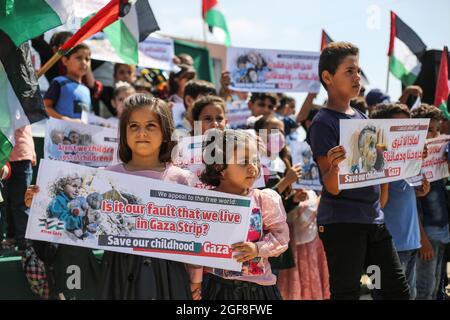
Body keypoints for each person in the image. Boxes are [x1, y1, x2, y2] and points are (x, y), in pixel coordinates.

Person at [306, 42, 409, 300]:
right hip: (342, 225)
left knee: (392, 291)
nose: (357, 77)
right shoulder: (323, 123)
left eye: (359, 70)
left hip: (373, 222)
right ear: (327, 77)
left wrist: (408, 158)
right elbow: (331, 187)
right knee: (347, 293)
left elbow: (377, 167)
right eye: (349, 71)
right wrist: (336, 166)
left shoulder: (362, 117)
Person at [96, 94, 202, 299]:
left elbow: (193, 235)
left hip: (168, 272)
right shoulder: (105, 176)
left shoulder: (182, 179)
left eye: (151, 126)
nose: (141, 133)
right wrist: (40, 200)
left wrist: (195, 277)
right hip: (119, 270)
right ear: (124, 132)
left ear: (165, 132)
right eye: (133, 126)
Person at [199, 129, 289, 299]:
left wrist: (257, 248)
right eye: (243, 161)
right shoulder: (205, 201)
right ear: (220, 167)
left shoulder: (264, 199)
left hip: (258, 290)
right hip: (215, 288)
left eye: (255, 161)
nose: (252, 167)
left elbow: (281, 238)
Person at [370, 103, 430, 300]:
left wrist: (420, 189)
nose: (406, 128)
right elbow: (380, 204)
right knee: (382, 295)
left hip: (410, 242)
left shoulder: (408, 159)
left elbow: (407, 195)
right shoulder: (372, 158)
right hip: (384, 248)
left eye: (408, 123)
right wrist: (386, 167)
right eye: (399, 124)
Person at [412, 104, 450, 300]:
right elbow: (413, 208)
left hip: (442, 232)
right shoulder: (410, 167)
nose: (433, 134)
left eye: (436, 129)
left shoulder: (439, 163)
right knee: (424, 288)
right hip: (425, 236)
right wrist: (422, 240)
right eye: (427, 130)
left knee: (436, 285)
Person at [43, 43, 92, 122]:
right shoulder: (59, 82)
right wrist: (65, 119)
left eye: (87, 59)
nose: (84, 62)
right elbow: (45, 107)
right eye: (79, 58)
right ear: (65, 61)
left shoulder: (86, 90)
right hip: (60, 132)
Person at [168, 64, 196, 128]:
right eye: (188, 79)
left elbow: (198, 132)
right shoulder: (167, 104)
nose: (192, 82)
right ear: (176, 80)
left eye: (193, 79)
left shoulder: (198, 102)